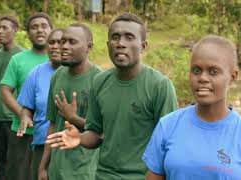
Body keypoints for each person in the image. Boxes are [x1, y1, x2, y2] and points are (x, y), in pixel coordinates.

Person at [46, 13, 178, 180]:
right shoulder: (100, 82)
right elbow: (95, 133)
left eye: (129, 37)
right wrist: (79, 138)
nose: (121, 44)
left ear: (143, 46)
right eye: (115, 37)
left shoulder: (159, 86)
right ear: (108, 45)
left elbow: (170, 143)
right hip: (103, 175)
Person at [142, 35, 241, 180]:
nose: (203, 78)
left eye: (213, 72)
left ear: (233, 77)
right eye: (196, 70)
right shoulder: (168, 126)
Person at [39, 23, 101, 180]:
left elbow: (105, 132)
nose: (64, 47)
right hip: (56, 169)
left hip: (85, 172)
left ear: (89, 47)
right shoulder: (58, 75)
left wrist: (74, 119)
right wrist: (43, 166)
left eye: (72, 42)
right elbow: (52, 124)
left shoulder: (100, 80)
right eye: (63, 41)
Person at [0, 12, 52, 180]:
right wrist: (23, 114)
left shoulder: (61, 60)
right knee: (18, 174)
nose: (39, 30)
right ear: (28, 33)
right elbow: (5, 90)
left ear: (51, 30)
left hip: (49, 134)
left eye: (44, 26)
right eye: (34, 27)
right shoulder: (18, 59)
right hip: (22, 131)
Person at [16, 28, 63, 180]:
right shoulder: (36, 73)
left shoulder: (83, 74)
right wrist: (25, 117)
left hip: (71, 146)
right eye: (51, 42)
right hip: (42, 143)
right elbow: (27, 108)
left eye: (60, 42)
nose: (55, 46)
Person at [0, 15, 25, 180]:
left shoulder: (23, 56)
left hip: (14, 117)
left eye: (4, 28)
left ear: (15, 31)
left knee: (14, 161)